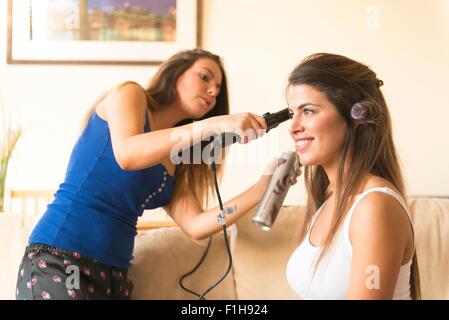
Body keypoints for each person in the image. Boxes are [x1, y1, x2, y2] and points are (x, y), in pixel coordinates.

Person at [15, 48, 295, 300]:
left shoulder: (179, 158)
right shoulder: (130, 95)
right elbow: (128, 154)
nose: (213, 91)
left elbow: (198, 224)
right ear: (176, 73)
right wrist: (214, 124)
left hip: (114, 276)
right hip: (60, 258)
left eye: (218, 89)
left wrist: (262, 187)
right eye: (205, 77)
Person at [285, 53, 420, 300]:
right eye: (292, 112)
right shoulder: (328, 200)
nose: (293, 127)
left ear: (355, 117)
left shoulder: (373, 206)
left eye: (308, 111)